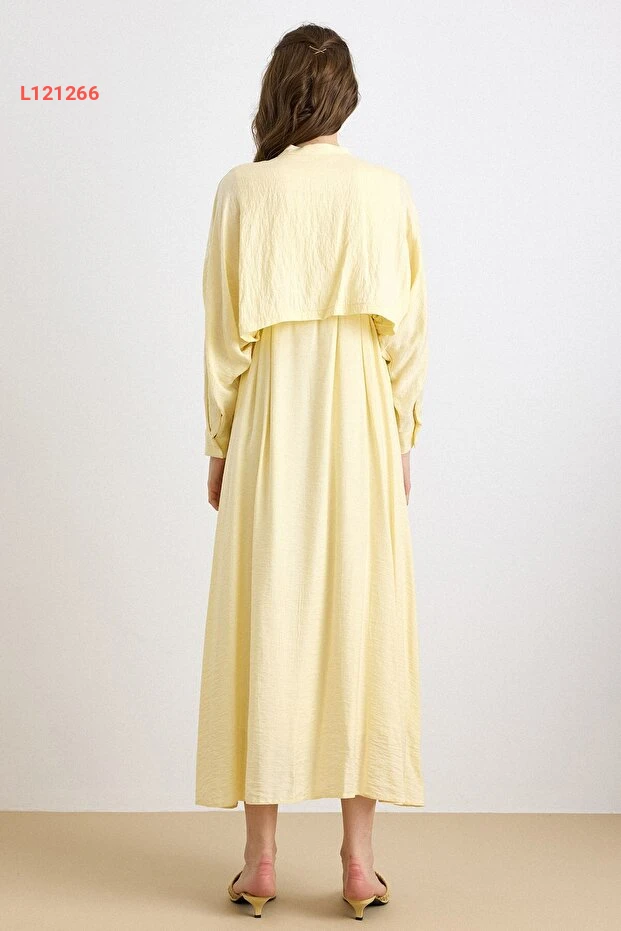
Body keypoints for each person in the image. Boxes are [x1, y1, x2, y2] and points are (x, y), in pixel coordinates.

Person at [195, 23, 429, 920]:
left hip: (270, 421)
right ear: (345, 95)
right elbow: (409, 335)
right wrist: (399, 437)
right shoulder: (385, 191)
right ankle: (358, 866)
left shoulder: (244, 190)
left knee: (268, 614)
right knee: (360, 619)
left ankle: (260, 862)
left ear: (276, 91)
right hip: (360, 422)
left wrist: (220, 443)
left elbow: (223, 336)